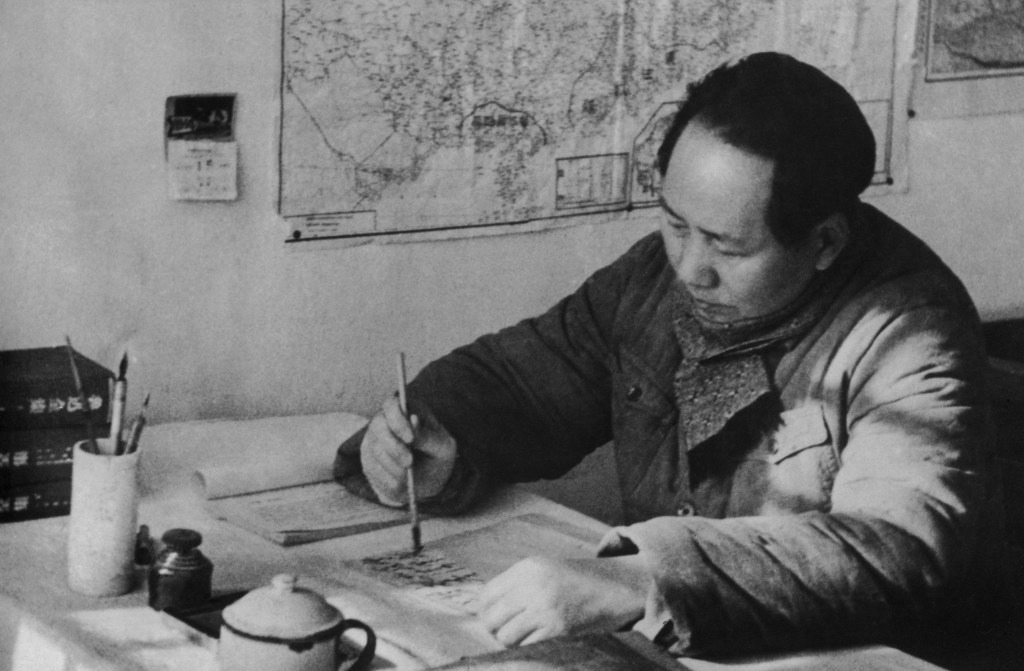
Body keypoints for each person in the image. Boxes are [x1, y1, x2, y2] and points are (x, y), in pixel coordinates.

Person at [335, 52, 1006, 657]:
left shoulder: (910, 328)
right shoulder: (656, 276)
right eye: (674, 222)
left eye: (727, 246)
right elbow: (523, 380)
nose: (689, 268)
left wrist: (644, 576)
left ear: (824, 242)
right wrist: (431, 439)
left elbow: (896, 550)